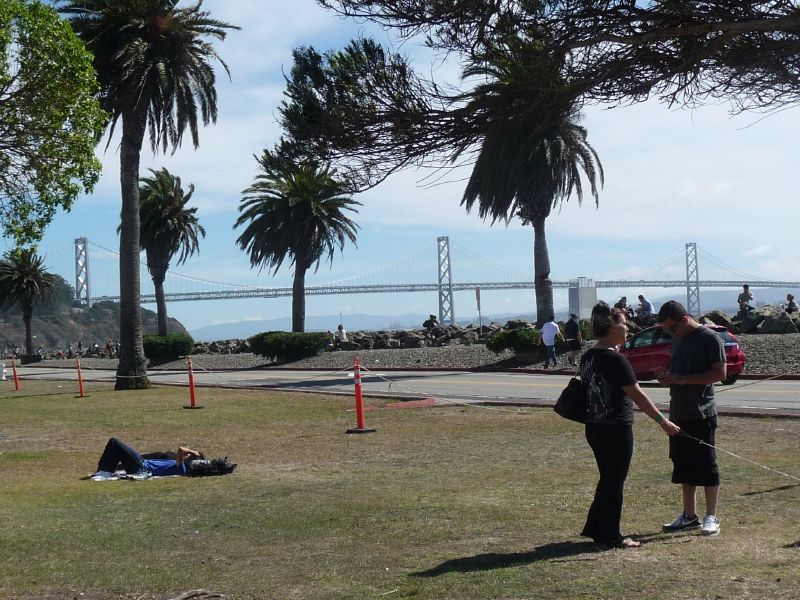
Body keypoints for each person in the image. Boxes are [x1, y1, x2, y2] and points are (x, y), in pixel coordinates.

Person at [579, 302, 680, 549]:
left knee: (607, 478)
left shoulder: (588, 356)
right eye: (624, 324)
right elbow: (637, 395)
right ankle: (612, 535)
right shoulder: (615, 359)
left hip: (594, 426)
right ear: (612, 329)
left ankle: (596, 528)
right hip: (615, 427)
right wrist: (663, 421)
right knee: (615, 481)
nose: (628, 329)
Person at [656, 300, 727, 536]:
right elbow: (680, 371)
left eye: (672, 328)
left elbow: (720, 373)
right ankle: (689, 515)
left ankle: (711, 516)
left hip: (701, 413)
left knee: (707, 466)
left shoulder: (709, 338)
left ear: (684, 320)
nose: (671, 333)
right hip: (678, 412)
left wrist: (683, 379)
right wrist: (668, 377)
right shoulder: (679, 337)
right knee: (683, 465)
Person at [91, 437, 236, 478]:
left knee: (114, 442)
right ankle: (104, 470)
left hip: (141, 466)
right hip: (141, 465)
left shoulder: (182, 467)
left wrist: (192, 451)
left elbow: (180, 449)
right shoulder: (181, 467)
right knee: (116, 448)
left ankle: (104, 470)